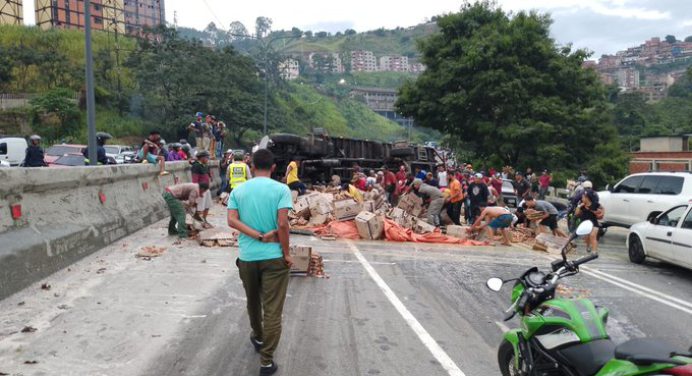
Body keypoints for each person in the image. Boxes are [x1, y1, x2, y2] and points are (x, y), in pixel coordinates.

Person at [227, 148, 293, 376]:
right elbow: (283, 225)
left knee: (253, 301)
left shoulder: (239, 190)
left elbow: (231, 220)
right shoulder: (281, 189)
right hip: (274, 257)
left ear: (252, 166)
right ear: (274, 168)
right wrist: (286, 253)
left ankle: (257, 337)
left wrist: (255, 235)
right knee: (272, 310)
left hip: (247, 257)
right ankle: (266, 362)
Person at [191, 151, 213, 227]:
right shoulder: (196, 166)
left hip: (206, 189)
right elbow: (195, 180)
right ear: (202, 158)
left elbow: (208, 175)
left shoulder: (205, 165)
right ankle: (198, 223)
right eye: (207, 157)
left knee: (207, 206)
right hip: (201, 190)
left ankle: (204, 219)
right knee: (199, 207)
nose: (208, 159)